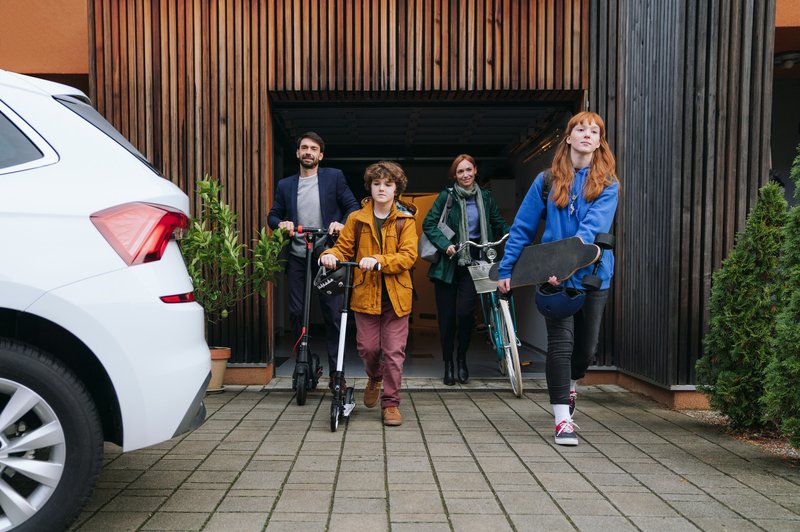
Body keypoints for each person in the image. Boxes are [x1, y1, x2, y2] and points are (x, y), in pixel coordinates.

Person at [497, 111, 619, 446]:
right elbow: (523, 227)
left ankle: (570, 385)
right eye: (581, 129)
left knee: (585, 352)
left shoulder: (608, 185)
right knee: (560, 347)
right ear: (568, 137)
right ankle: (562, 419)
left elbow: (591, 230)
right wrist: (508, 269)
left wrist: (566, 263)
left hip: (593, 276)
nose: (587, 135)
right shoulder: (546, 181)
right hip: (552, 277)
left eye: (594, 131)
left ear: (599, 141)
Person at [320, 161, 418, 426]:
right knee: (368, 348)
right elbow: (343, 248)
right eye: (377, 184)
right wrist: (329, 255)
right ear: (370, 187)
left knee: (394, 351)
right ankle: (374, 377)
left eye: (388, 184)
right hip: (366, 295)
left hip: (396, 298)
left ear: (397, 189)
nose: (382, 188)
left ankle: (391, 403)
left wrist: (379, 260)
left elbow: (408, 256)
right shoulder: (356, 219)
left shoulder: (405, 221)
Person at [267, 132, 359, 391]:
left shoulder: (334, 177)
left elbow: (353, 206)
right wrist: (281, 223)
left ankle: (336, 373)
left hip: (328, 255)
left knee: (332, 314)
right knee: (297, 312)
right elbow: (273, 215)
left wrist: (341, 223)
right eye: (304, 148)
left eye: (314, 149)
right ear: (298, 153)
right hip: (298, 255)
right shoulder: (286, 185)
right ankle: (302, 363)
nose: (308, 152)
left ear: (320, 155)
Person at [422, 154, 510, 385]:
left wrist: (515, 235)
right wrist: (445, 245)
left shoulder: (486, 198)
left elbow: (497, 222)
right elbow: (429, 224)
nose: (465, 175)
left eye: (468, 170)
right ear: (455, 175)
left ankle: (462, 359)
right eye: (460, 172)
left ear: (475, 171)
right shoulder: (446, 197)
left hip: (475, 262)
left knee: (465, 315)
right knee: (448, 319)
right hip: (448, 265)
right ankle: (448, 364)